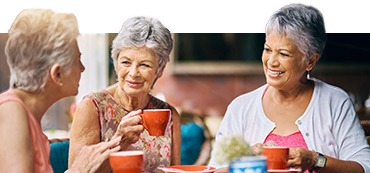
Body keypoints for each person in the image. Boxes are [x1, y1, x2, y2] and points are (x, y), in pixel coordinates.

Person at [209, 3, 370, 173]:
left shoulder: (335, 102)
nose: (271, 62)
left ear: (310, 61)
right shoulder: (240, 108)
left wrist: (316, 160)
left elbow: (364, 167)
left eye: (283, 54)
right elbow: (215, 170)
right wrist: (247, 159)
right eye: (267, 50)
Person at [0, 9, 122, 173]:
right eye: (78, 60)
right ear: (57, 74)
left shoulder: (28, 119)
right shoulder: (11, 112)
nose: (83, 68)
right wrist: (78, 170)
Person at [68, 16, 181, 173]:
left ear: (159, 70)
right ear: (116, 63)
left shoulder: (169, 115)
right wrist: (119, 142)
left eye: (145, 65)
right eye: (126, 62)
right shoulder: (92, 108)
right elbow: (78, 172)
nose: (133, 73)